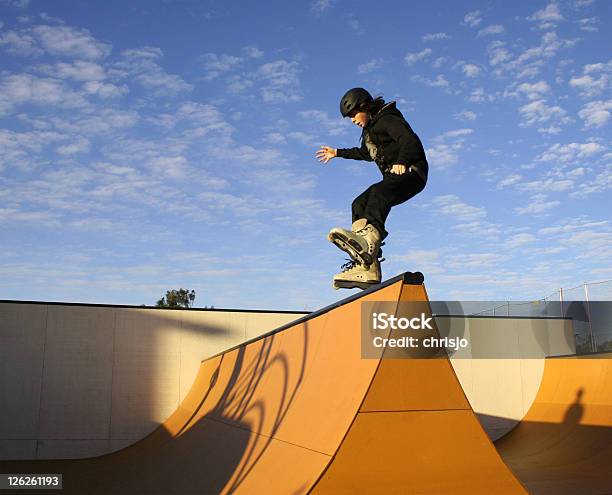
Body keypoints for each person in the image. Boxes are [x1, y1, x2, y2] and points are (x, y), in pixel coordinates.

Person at [316, 87, 428, 290]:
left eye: (353, 114)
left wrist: (403, 161)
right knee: (359, 203)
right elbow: (366, 154)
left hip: (412, 172)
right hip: (395, 179)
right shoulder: (369, 132)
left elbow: (410, 140)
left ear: (365, 107)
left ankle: (369, 243)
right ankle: (368, 265)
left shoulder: (388, 119)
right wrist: (337, 152)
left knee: (378, 193)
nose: (352, 120)